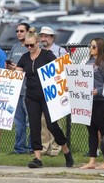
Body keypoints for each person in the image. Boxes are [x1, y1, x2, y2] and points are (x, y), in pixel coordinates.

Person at [16, 27, 74, 168]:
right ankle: (37, 158)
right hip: (31, 97)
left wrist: (66, 84)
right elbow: (17, 74)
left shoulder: (47, 55)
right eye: (27, 45)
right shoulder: (24, 58)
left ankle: (66, 151)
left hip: (47, 97)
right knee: (35, 127)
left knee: (52, 125)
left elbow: (59, 71)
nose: (29, 47)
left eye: (32, 45)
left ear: (37, 42)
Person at [80, 37, 104, 169]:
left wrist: (98, 91)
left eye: (94, 46)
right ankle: (92, 160)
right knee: (91, 131)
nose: (91, 49)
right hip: (88, 101)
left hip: (101, 101)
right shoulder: (88, 61)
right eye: (90, 46)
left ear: (100, 48)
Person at [39, 26, 67, 156]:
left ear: (52, 37)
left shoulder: (60, 51)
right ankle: (45, 146)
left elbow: (67, 68)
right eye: (42, 36)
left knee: (55, 119)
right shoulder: (38, 51)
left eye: (46, 36)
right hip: (42, 89)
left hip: (56, 90)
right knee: (43, 120)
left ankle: (56, 147)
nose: (43, 38)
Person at [6, 22, 33, 154]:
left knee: (31, 121)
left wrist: (19, 67)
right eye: (17, 31)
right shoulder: (15, 47)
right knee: (19, 122)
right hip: (16, 90)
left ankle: (32, 147)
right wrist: (10, 67)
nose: (18, 33)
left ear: (28, 32)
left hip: (28, 89)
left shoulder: (30, 47)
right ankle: (19, 148)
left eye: (22, 31)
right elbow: (9, 64)